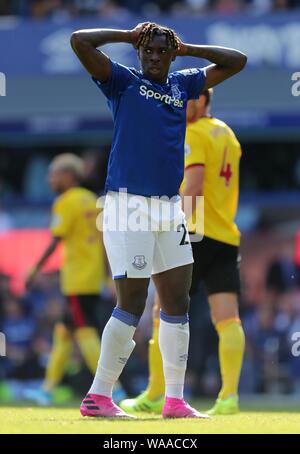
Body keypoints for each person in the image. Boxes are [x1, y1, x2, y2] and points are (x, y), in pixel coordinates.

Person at [70, 21, 247, 419]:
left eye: (160, 51)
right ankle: (98, 396)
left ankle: (175, 399)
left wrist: (185, 49)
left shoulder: (182, 84)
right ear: (138, 52)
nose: (153, 56)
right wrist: (127, 35)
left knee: (177, 301)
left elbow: (238, 61)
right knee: (131, 301)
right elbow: (79, 41)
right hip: (127, 205)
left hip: (170, 209)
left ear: (170, 54)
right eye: (147, 50)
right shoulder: (122, 81)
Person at [120, 89, 245, 416]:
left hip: (193, 232)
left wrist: (175, 222)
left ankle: (156, 393)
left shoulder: (194, 133)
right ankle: (229, 397)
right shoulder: (228, 134)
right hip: (225, 236)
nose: (182, 104)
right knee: (228, 318)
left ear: (203, 100)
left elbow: (194, 184)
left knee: (165, 310)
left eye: (189, 99)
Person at [25, 154, 106, 405]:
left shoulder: (66, 201)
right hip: (91, 275)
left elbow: (56, 238)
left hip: (76, 277)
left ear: (68, 175)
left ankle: (110, 388)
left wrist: (35, 269)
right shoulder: (93, 200)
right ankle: (47, 389)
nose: (50, 179)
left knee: (85, 331)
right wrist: (106, 273)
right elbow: (104, 240)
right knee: (64, 333)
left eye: (54, 174)